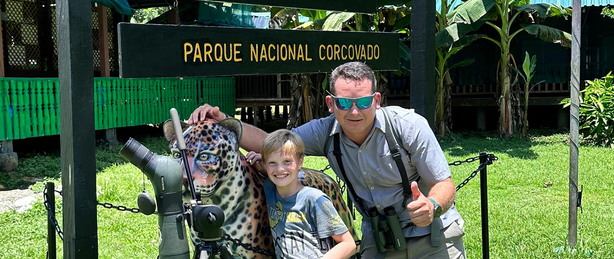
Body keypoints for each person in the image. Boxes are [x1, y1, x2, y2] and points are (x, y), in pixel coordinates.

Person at [189, 61, 466, 259]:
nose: (354, 111)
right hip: (381, 238)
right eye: (344, 103)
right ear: (331, 103)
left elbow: (444, 183)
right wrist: (223, 120)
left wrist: (431, 205)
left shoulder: (408, 126)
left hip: (431, 234)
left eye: (363, 102)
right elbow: (272, 144)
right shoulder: (325, 131)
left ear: (377, 100)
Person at [245, 129, 356, 259]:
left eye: (287, 161)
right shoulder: (270, 189)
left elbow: (348, 244)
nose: (280, 169)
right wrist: (261, 162)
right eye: (272, 163)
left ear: (300, 162)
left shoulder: (314, 200)